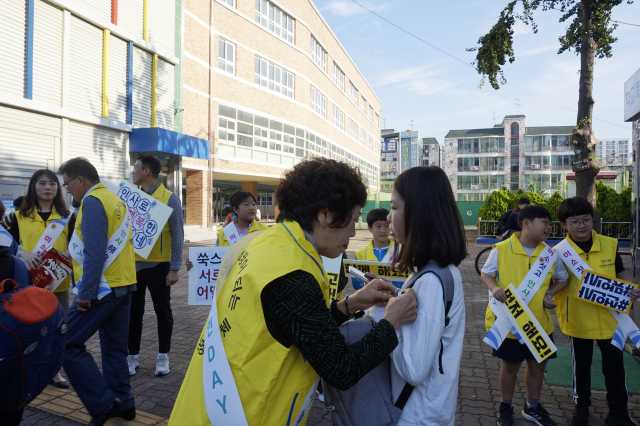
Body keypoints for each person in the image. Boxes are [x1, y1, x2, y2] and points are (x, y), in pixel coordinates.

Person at [169, 158, 418, 425]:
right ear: (325, 214)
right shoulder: (293, 273)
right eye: (352, 220)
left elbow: (295, 326)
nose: (352, 232)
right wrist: (391, 321)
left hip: (205, 404)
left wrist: (351, 304)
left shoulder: (260, 243)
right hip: (243, 414)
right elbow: (341, 368)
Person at [365, 166, 467, 425]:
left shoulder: (431, 280)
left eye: (395, 207)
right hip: (427, 409)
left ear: (419, 213)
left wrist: (381, 313)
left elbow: (414, 369)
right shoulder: (439, 270)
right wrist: (394, 300)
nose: (388, 218)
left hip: (416, 415)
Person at [59, 157, 137, 426]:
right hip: (124, 284)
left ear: (81, 179)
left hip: (102, 288)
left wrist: (86, 293)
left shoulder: (92, 202)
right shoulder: (115, 200)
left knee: (66, 343)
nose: (67, 189)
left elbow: (95, 252)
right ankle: (124, 402)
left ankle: (103, 404)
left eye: (68, 183)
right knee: (115, 348)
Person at [553, 197, 640, 426]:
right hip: (578, 316)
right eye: (575, 221)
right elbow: (554, 281)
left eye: (586, 220)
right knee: (581, 365)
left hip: (610, 316)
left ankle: (618, 412)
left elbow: (621, 272)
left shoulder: (610, 244)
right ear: (564, 225)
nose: (582, 226)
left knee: (614, 365)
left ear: (593, 220)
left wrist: (630, 288)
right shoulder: (559, 252)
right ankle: (581, 408)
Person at [481, 205, 570, 426]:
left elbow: (564, 279)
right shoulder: (501, 249)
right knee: (510, 366)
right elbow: (486, 273)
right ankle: (506, 405)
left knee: (537, 365)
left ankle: (532, 406)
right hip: (510, 323)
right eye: (544, 223)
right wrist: (493, 288)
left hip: (538, 323)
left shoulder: (550, 254)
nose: (549, 228)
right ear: (526, 223)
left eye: (550, 224)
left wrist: (551, 293)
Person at [4, 169, 74, 388]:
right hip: (25, 285)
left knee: (58, 328)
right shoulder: (16, 216)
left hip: (58, 283)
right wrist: (21, 252)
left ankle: (54, 371)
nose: (48, 188)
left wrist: (65, 258)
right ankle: (22, 370)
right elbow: (3, 243)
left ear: (58, 188)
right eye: (42, 183)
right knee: (25, 327)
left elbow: (77, 245)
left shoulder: (68, 217)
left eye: (53, 184)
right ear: (33, 186)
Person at [127, 155, 184, 377]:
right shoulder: (132, 198)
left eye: (136, 168)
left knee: (163, 312)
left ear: (147, 171)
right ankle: (132, 356)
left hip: (160, 266)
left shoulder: (169, 199)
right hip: (132, 265)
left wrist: (175, 268)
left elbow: (178, 234)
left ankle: (163, 355)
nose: (133, 172)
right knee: (134, 313)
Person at [351, 208, 402, 290]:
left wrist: (388, 284)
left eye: (386, 226)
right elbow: (355, 282)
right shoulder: (361, 255)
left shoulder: (400, 253)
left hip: (393, 299)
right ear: (370, 228)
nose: (383, 230)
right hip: (369, 300)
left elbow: (405, 279)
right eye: (378, 226)